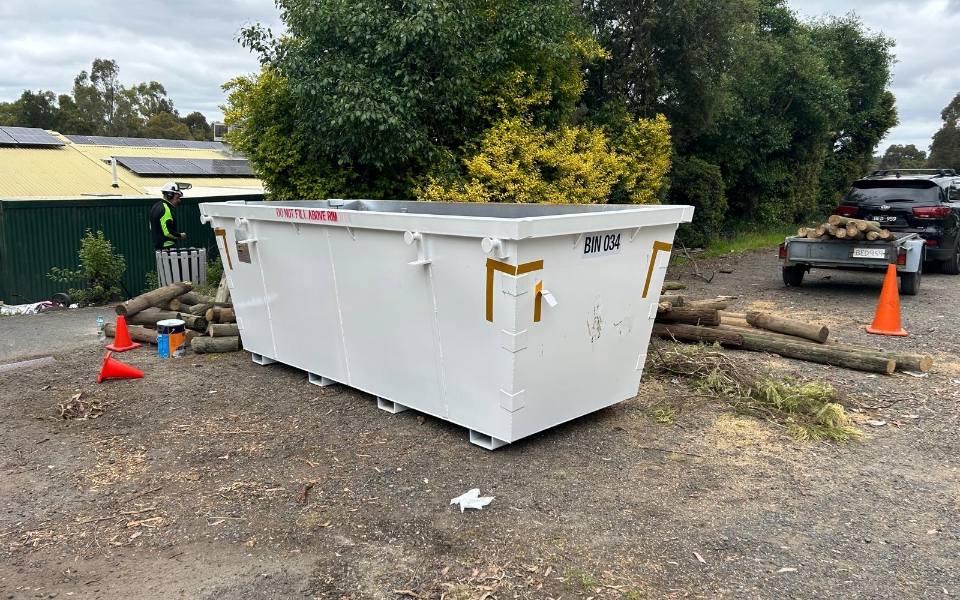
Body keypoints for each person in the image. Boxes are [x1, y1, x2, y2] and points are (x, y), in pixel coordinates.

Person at [150, 182, 187, 250]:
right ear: (170, 195)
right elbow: (168, 232)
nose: (179, 200)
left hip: (158, 247)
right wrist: (180, 235)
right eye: (177, 197)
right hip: (167, 248)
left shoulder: (155, 206)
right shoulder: (166, 209)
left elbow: (151, 226)